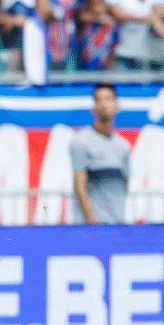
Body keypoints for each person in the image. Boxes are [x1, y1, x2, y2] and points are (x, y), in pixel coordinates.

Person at [69, 84, 130, 225]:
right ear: (93, 108)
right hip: (91, 227)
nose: (103, 104)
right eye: (99, 100)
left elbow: (125, 185)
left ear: (117, 106)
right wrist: (93, 223)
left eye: (108, 99)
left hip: (118, 225)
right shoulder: (81, 142)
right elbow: (80, 187)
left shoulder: (123, 146)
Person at [75, 0, 118, 71]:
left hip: (103, 71)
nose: (96, 6)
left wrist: (109, 74)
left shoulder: (111, 26)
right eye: (92, 2)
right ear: (87, 4)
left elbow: (113, 51)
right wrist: (98, 18)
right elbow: (81, 16)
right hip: (83, 71)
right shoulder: (84, 23)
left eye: (99, 2)